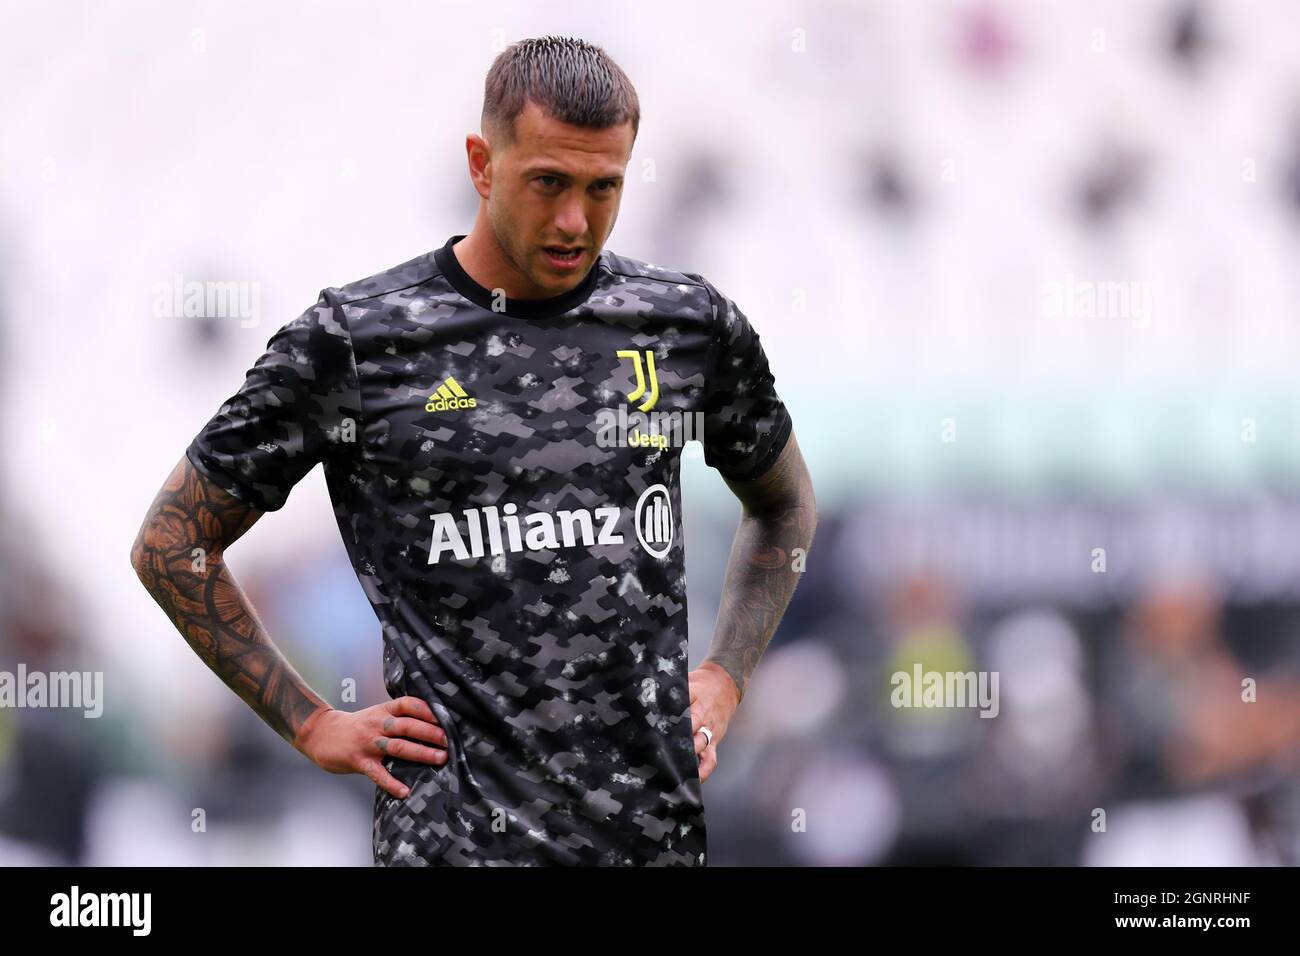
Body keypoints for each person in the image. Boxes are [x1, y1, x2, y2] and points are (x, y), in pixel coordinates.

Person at [130, 34, 817, 866]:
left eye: (604, 188)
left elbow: (782, 506)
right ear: (482, 164)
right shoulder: (357, 342)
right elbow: (172, 543)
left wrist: (726, 675)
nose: (575, 220)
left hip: (648, 843)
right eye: (548, 184)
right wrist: (310, 719)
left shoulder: (684, 325)